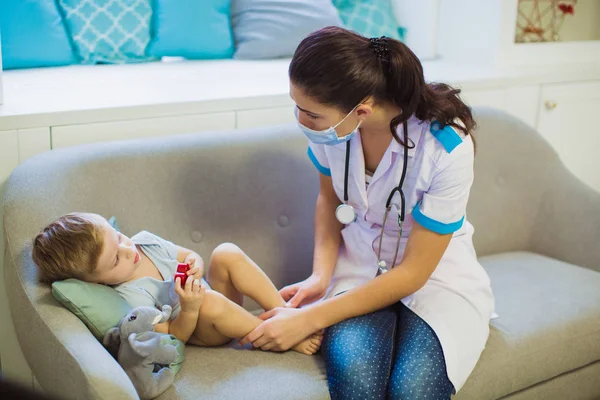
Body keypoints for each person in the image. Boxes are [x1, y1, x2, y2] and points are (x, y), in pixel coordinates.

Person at [240, 26, 495, 399]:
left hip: (436, 278)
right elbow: (328, 200)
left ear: (362, 110)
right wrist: (320, 275)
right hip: (358, 268)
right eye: (296, 105)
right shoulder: (335, 130)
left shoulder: (446, 149)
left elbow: (412, 273)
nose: (300, 120)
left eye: (310, 113)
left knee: (412, 392)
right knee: (357, 386)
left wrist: (305, 320)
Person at [32, 212, 322, 355]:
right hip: (204, 327)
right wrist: (192, 309)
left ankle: (285, 314)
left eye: (118, 238)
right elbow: (174, 334)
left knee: (226, 252)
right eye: (115, 260)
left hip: (216, 301)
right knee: (209, 302)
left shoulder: (144, 242)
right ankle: (274, 335)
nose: (128, 250)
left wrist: (196, 264)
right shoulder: (131, 300)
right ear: (96, 282)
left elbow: (188, 255)